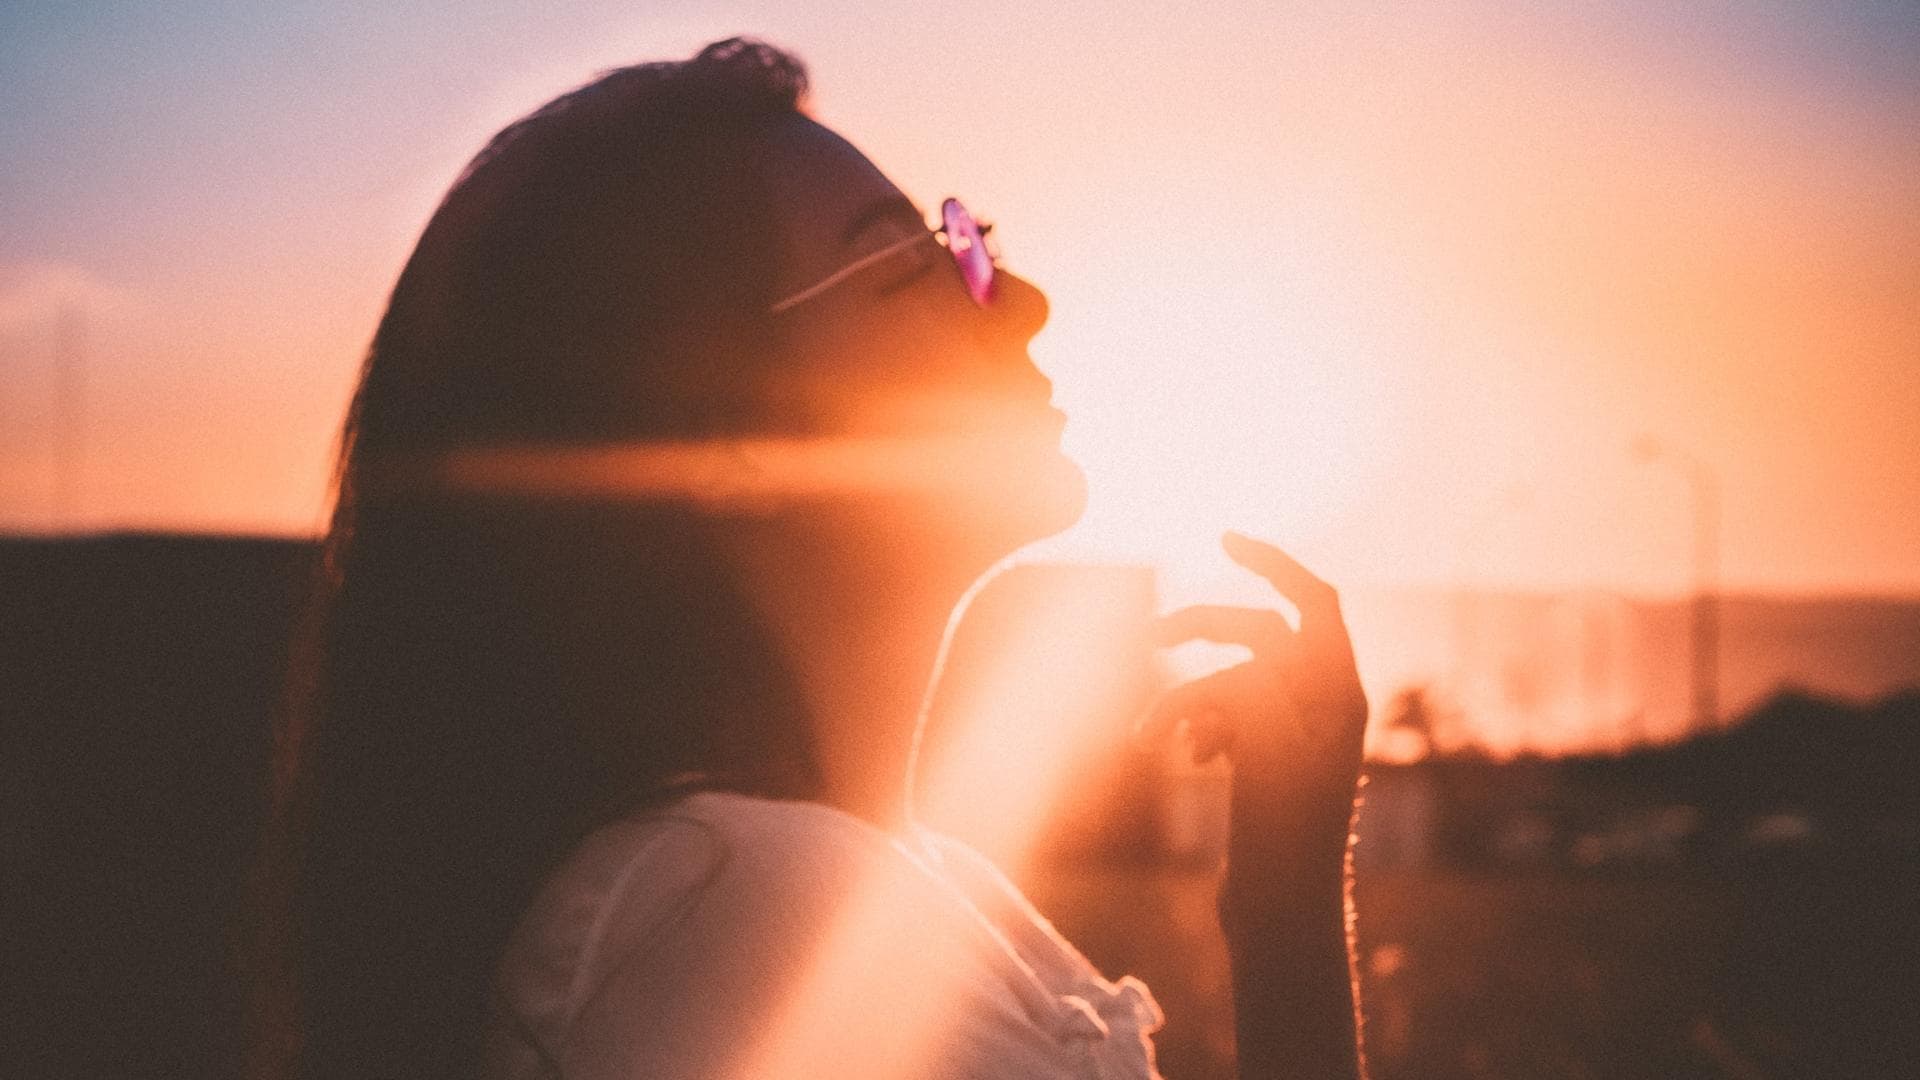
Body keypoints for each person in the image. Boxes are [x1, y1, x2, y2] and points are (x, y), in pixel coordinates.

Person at [255, 37, 1369, 1080]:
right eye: (911, 265)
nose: (1019, 299)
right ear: (727, 443)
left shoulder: (893, 885)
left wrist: (1286, 914)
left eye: (969, 241)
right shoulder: (729, 915)